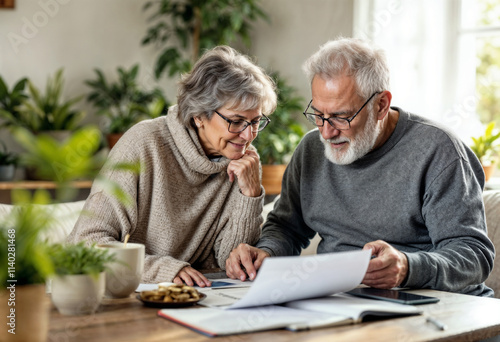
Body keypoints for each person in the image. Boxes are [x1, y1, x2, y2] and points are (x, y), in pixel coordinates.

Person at [225, 38, 495, 297]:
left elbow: (473, 256)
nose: (326, 132)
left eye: (342, 117)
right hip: (342, 300)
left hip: (434, 304)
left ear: (381, 105)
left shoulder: (439, 151)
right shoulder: (311, 150)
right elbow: (286, 227)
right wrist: (267, 252)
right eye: (318, 114)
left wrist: (407, 267)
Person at [68, 46, 277, 287]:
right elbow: (86, 242)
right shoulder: (143, 144)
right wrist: (163, 270)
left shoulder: (244, 162)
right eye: (236, 121)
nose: (248, 135)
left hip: (194, 295)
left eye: (256, 121)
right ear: (199, 115)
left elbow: (230, 264)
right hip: (124, 290)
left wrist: (249, 194)